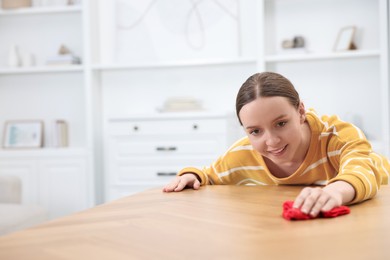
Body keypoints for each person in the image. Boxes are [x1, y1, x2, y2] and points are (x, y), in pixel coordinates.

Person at [163, 71, 389, 217]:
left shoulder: (338, 135)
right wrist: (192, 176)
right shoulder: (243, 153)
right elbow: (209, 175)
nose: (271, 141)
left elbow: (363, 170)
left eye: (281, 123)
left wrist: (336, 192)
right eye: (255, 131)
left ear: (300, 111)